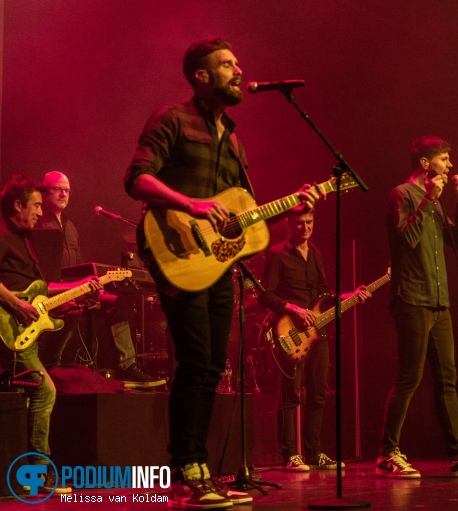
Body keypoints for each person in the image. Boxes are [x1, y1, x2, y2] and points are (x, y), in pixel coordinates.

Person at [124, 37, 317, 509]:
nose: (238, 69)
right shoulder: (172, 119)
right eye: (227, 64)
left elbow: (242, 217)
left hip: (217, 265)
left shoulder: (232, 138)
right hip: (176, 253)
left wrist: (293, 206)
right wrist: (191, 204)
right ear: (201, 76)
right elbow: (136, 178)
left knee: (213, 365)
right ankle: (185, 468)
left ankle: (202, 468)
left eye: (237, 62)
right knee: (194, 361)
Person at [376, 136, 458, 478]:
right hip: (412, 298)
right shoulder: (402, 194)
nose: (450, 166)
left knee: (448, 379)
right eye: (444, 159)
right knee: (410, 377)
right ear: (425, 164)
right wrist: (430, 200)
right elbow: (406, 239)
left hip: (438, 301)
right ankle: (388, 453)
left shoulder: (438, 201)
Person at [0, 174, 103, 494]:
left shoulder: (26, 240)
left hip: (24, 328)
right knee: (44, 391)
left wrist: (83, 289)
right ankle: (39, 476)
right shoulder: (2, 235)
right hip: (6, 326)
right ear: (17, 205)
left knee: (46, 388)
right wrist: (15, 303)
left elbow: (43, 290)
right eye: (34, 206)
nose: (39, 212)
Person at [258, 206, 371, 471]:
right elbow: (265, 295)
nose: (305, 228)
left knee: (319, 394)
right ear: (288, 223)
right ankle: (289, 455)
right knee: (291, 396)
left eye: (309, 222)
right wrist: (293, 308)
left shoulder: (317, 254)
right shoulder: (276, 255)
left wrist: (350, 295)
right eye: (299, 223)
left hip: (318, 334)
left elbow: (323, 296)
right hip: (290, 332)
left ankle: (313, 452)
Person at [37, 171, 165, 388]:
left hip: (76, 289)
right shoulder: (37, 223)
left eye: (67, 190)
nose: (63, 194)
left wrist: (93, 286)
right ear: (44, 191)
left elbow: (78, 264)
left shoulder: (70, 226)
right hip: (52, 292)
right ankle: (50, 368)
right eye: (58, 189)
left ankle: (128, 366)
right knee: (73, 311)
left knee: (115, 303)